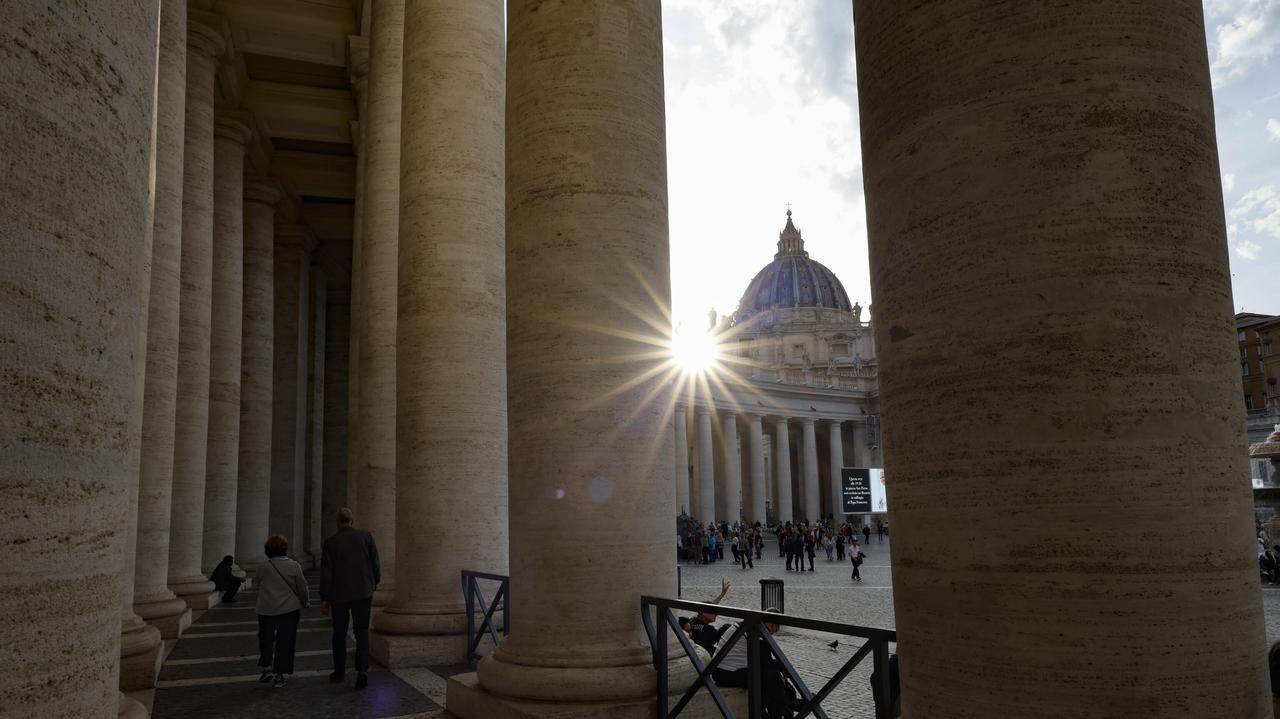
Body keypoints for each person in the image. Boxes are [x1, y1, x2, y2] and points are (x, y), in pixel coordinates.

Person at [320, 507, 381, 690]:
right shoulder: (366, 537)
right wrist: (374, 581)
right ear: (352, 521)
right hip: (363, 591)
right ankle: (362, 671)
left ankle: (339, 672)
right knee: (361, 632)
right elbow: (375, 562)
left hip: (339, 594)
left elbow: (327, 572)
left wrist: (324, 597)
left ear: (337, 522)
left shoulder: (331, 542)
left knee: (339, 633)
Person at [255, 535, 308, 688]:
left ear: (267, 550)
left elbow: (259, 582)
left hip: (266, 608)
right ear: (285, 549)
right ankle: (279, 674)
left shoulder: (263, 567)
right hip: (288, 608)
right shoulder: (294, 566)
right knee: (285, 641)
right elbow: (302, 587)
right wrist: (305, 601)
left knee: (266, 638)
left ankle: (266, 667)